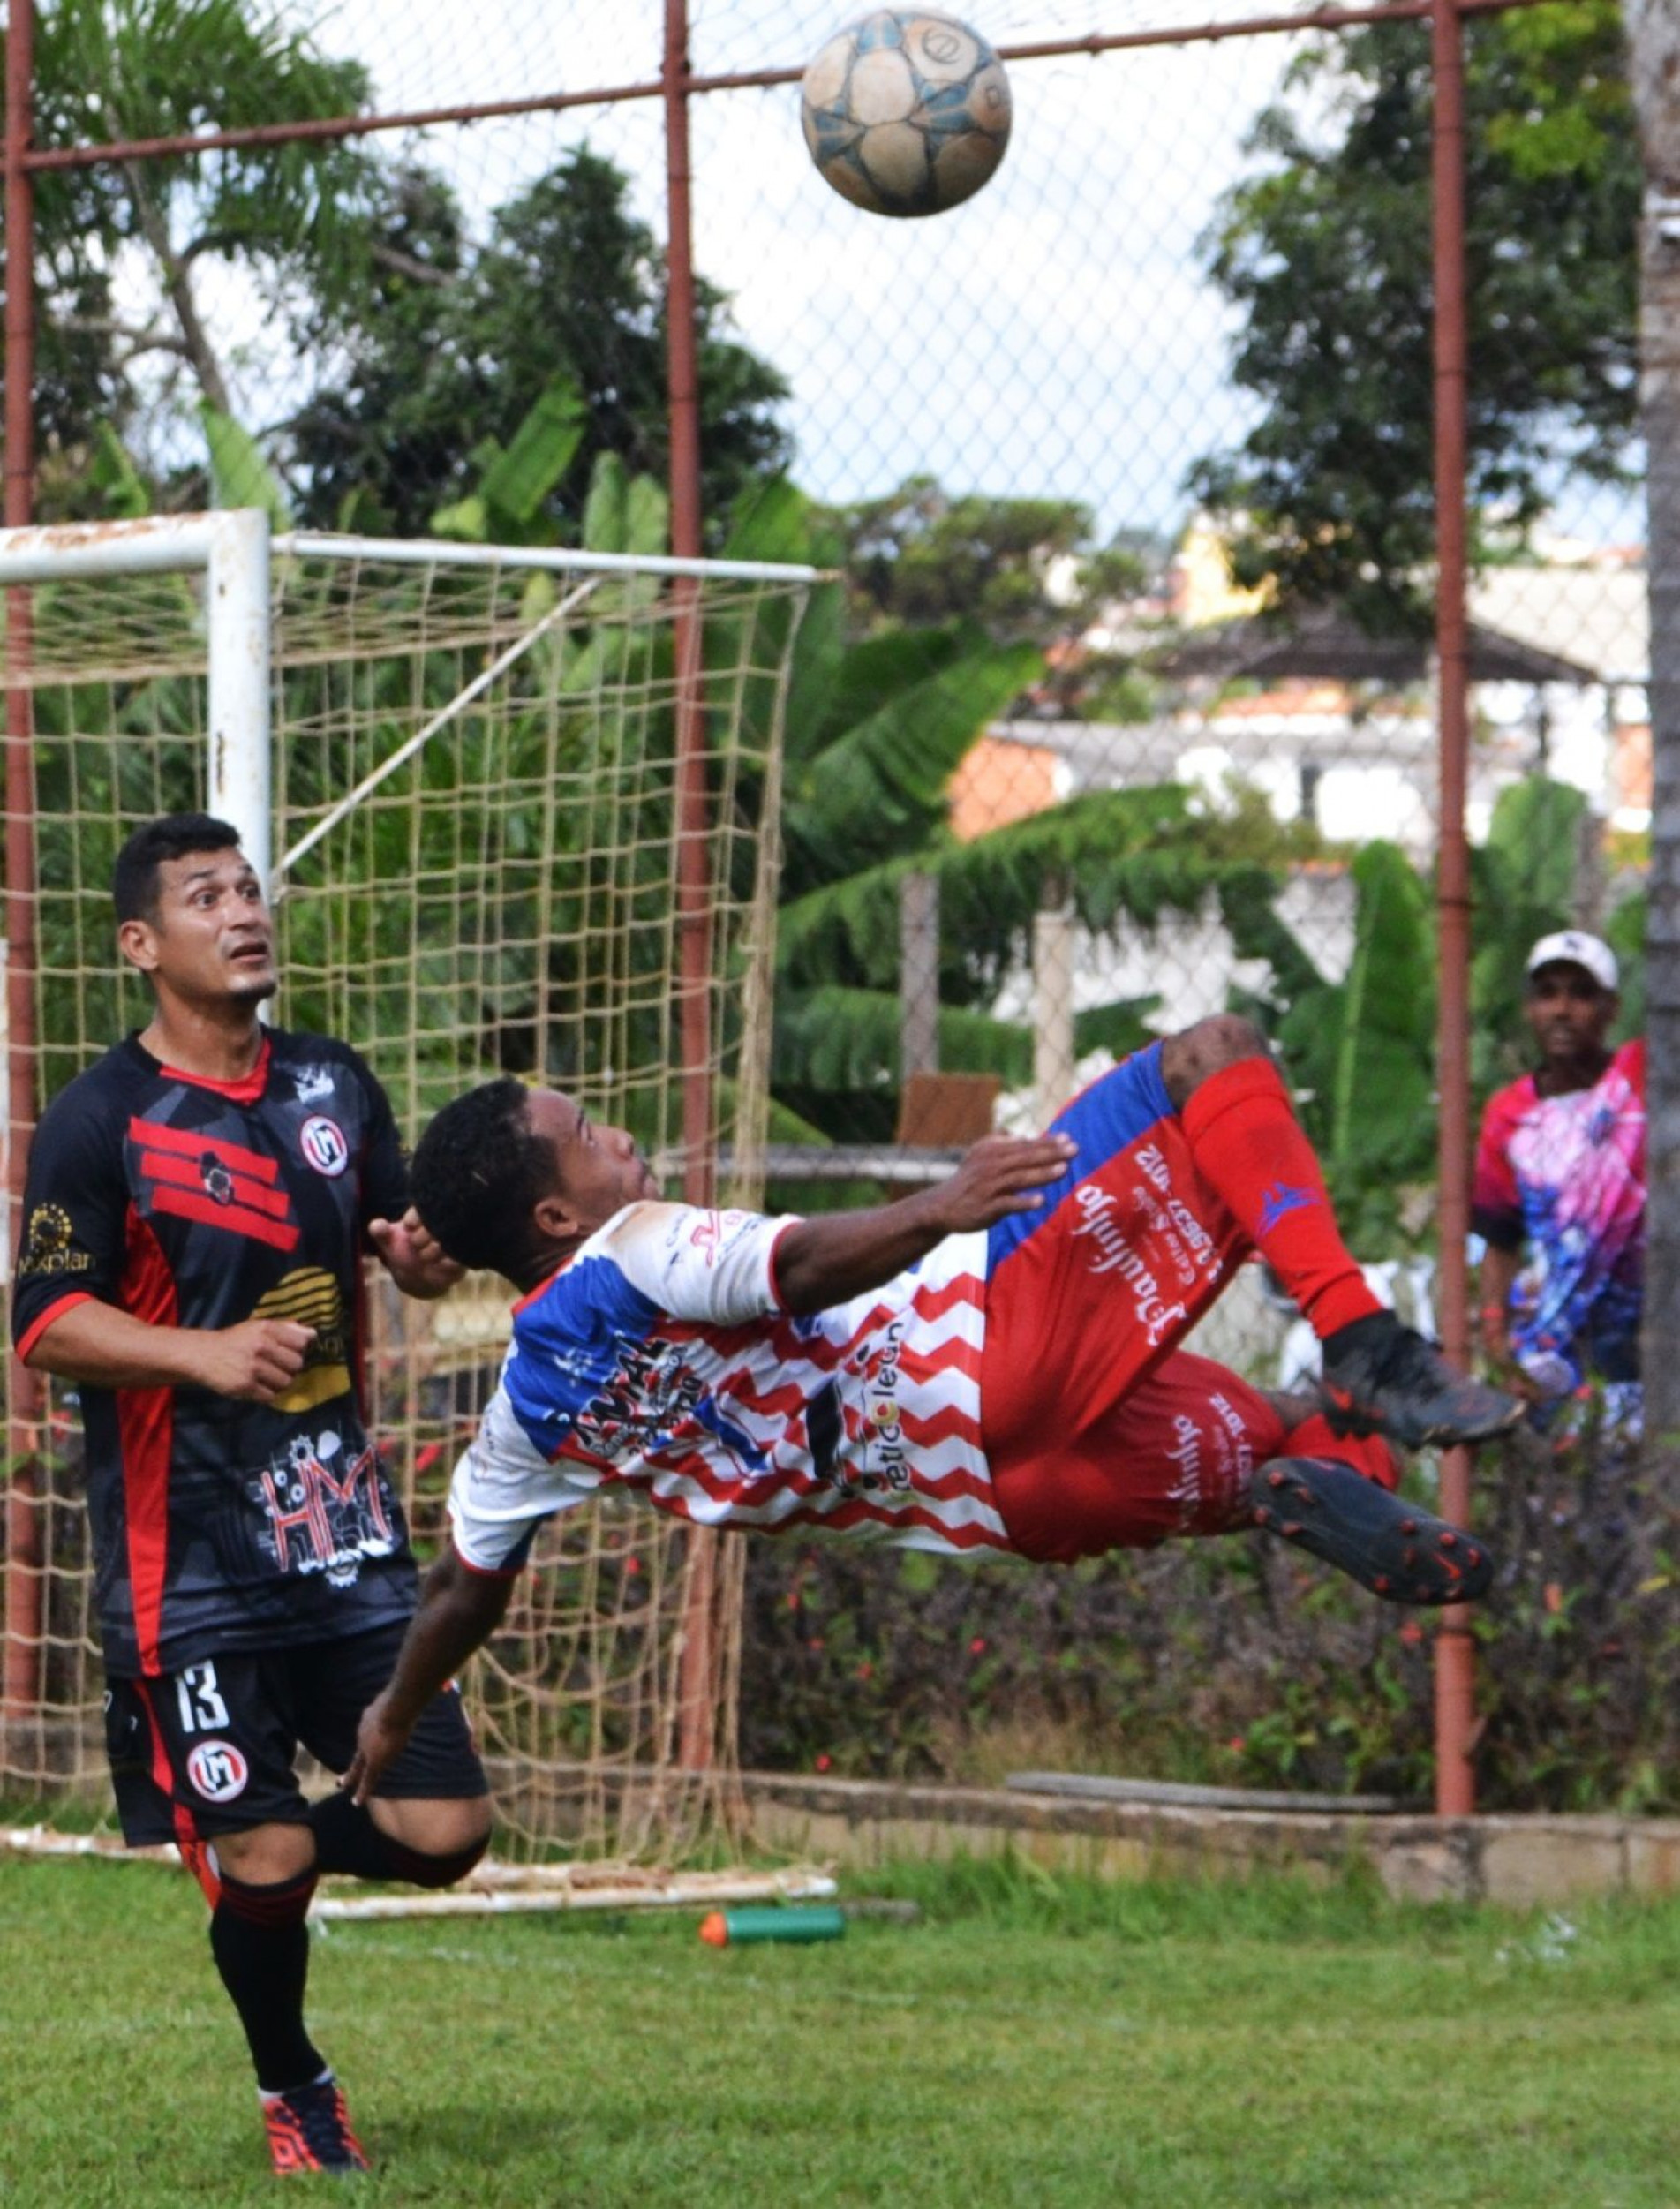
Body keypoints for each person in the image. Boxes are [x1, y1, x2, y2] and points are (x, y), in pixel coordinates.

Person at [346, 1019, 1520, 1800]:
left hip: (999, 1497)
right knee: (1209, 1059)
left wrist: (393, 1717)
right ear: (555, 1220)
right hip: (984, 1345)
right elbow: (798, 1265)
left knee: (1273, 1436)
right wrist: (942, 1205)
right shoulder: (635, 1249)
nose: (614, 1134)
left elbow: (461, 1587)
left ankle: (1297, 1475)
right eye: (584, 1135)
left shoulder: (524, 1419)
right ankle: (1363, 1336)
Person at [11, 813, 493, 2178]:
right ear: (139, 944)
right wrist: (201, 1353)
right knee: (270, 1858)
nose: (241, 911)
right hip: (188, 1570)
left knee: (444, 1832)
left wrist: (418, 1253)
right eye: (203, 895)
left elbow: (408, 1248)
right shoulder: (99, 1121)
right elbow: (44, 1320)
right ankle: (295, 2079)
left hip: (342, 1542)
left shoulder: (334, 1082)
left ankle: (252, 1851)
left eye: (247, 888)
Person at [1472, 929, 1645, 1431]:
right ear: (1530, 1009)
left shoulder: (1638, 1077)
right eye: (1547, 994)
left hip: (1646, 1335)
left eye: (1581, 993)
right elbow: (1500, 1241)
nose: (1562, 1010)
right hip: (1552, 1349)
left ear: (1611, 1008)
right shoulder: (1510, 1114)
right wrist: (1496, 1340)